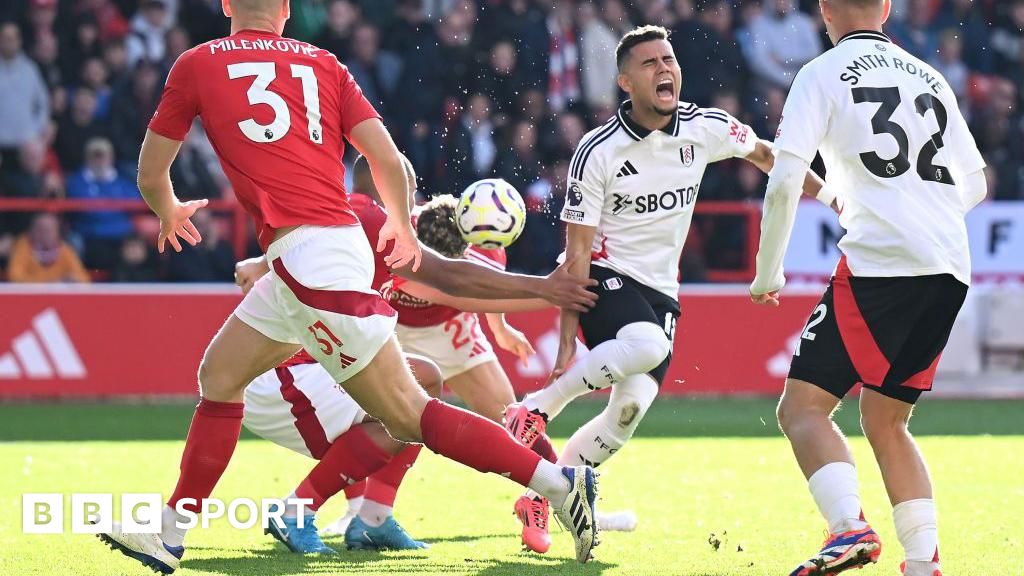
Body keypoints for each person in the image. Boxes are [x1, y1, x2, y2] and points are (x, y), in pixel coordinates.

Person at [97, 1, 601, 572]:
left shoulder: (196, 63)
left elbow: (148, 171)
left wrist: (166, 211)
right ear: (286, 11)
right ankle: (169, 531)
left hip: (309, 258)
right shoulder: (325, 63)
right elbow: (385, 157)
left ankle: (559, 485)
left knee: (410, 413)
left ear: (226, 6)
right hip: (322, 254)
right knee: (220, 374)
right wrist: (404, 227)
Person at [501, 24, 829, 554]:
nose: (665, 69)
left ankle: (544, 491)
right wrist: (566, 337)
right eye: (650, 63)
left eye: (669, 60)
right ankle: (533, 410)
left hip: (660, 290)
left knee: (626, 415)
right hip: (605, 275)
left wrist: (833, 198)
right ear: (625, 82)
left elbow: (771, 157)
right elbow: (578, 252)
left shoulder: (704, 127)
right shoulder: (597, 150)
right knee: (648, 345)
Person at [748, 2, 987, 575]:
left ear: (825, 11)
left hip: (884, 264)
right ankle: (923, 562)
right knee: (886, 419)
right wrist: (921, 211)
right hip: (949, 265)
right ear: (885, 9)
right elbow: (975, 180)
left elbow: (784, 179)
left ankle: (849, 528)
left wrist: (767, 271)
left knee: (802, 410)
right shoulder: (928, 75)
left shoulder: (821, 73)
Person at [234, 182, 594, 554]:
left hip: (445, 329)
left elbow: (479, 286)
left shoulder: (451, 243)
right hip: (382, 330)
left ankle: (376, 516)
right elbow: (455, 284)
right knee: (398, 412)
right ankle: (328, 509)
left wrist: (501, 327)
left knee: (488, 406)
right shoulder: (390, 233)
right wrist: (547, 292)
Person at [6, 212, 90, 283]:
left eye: (48, 230)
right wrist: (51, 283)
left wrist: (75, 279)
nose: (43, 234)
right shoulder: (23, 246)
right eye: (39, 229)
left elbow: (84, 279)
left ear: (57, 232)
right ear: (31, 231)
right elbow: (14, 276)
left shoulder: (65, 250)